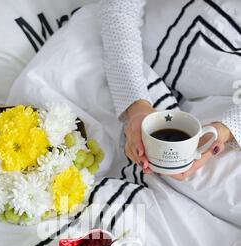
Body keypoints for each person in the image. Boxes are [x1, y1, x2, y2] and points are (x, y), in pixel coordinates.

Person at [101, 0, 241, 180]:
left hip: (222, 103)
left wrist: (226, 130)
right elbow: (119, 6)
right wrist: (135, 105)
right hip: (132, 52)